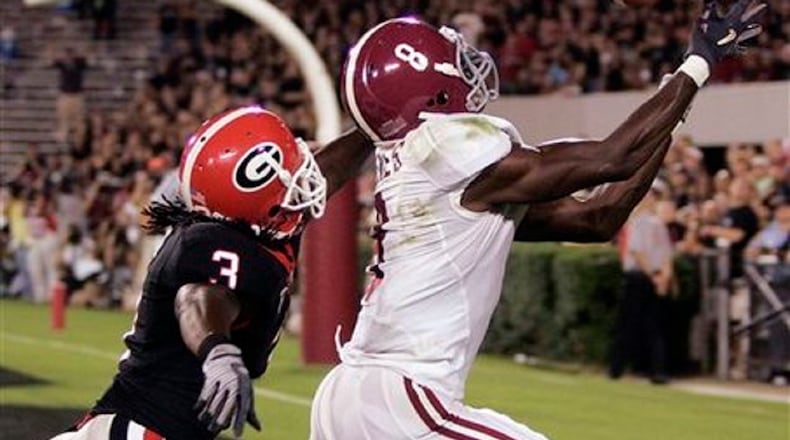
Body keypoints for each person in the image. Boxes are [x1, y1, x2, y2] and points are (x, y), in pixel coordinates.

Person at [311, 2, 766, 439]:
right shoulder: (444, 146)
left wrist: (672, 111)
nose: (468, 68)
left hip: (351, 396)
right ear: (430, 86)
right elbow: (612, 158)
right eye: (453, 62)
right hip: (401, 400)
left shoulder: (426, 177)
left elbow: (596, 219)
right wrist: (698, 62)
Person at [51, 107, 372, 440]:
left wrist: (376, 128)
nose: (304, 171)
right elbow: (197, 298)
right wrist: (217, 350)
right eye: (291, 170)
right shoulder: (211, 242)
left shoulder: (261, 222)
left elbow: (323, 174)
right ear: (262, 197)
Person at [609, 185, 674, 384]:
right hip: (646, 276)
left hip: (642, 277)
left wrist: (659, 276)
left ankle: (625, 368)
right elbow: (653, 253)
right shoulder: (647, 223)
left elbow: (645, 252)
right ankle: (648, 369)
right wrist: (661, 276)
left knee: (635, 324)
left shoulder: (645, 223)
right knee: (648, 325)